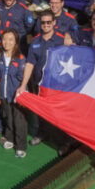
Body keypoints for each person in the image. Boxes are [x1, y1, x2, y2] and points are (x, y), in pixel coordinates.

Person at [19, 10, 65, 146]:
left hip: (57, 86)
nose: (45, 25)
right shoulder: (34, 42)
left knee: (58, 114)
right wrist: (23, 85)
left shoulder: (63, 41)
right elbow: (30, 63)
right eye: (43, 22)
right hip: (39, 84)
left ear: (54, 23)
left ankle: (63, 141)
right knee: (42, 112)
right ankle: (42, 133)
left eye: (48, 22)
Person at [0, 29, 30, 157]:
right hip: (4, 94)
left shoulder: (20, 58)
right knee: (8, 117)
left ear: (16, 42)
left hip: (17, 96)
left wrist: (22, 93)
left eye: (10, 39)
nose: (7, 42)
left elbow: (23, 79)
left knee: (19, 120)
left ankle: (21, 146)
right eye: (4, 39)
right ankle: (10, 138)